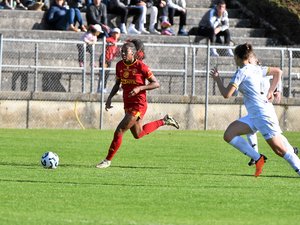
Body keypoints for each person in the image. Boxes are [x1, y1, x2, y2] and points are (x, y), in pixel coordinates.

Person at [210, 43, 300, 177]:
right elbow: (278, 72)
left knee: (279, 150)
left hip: (262, 114)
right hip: (255, 114)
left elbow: (226, 94)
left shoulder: (241, 71)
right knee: (229, 134)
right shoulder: (256, 68)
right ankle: (258, 158)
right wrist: (271, 91)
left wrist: (217, 79)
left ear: (238, 58)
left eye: (235, 57)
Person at [96, 41, 180, 169]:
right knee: (138, 134)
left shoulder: (141, 66)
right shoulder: (119, 65)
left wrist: (140, 88)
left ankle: (107, 160)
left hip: (139, 104)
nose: (122, 54)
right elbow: (117, 84)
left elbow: (156, 83)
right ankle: (164, 121)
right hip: (127, 103)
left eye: (126, 52)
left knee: (120, 130)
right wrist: (109, 98)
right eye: (121, 51)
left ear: (133, 53)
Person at [244, 53, 299, 166]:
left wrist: (276, 90)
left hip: (265, 107)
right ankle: (255, 156)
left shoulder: (261, 71)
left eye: (250, 59)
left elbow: (277, 75)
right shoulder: (247, 72)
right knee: (247, 130)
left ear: (255, 60)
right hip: (256, 108)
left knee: (276, 138)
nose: (248, 61)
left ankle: (291, 153)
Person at [98, 27, 121, 93]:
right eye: (114, 33)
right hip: (104, 58)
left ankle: (103, 88)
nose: (115, 35)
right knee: (103, 73)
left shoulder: (117, 43)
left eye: (117, 33)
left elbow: (116, 54)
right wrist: (112, 42)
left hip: (109, 59)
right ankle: (100, 88)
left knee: (107, 74)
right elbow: (106, 39)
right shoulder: (111, 39)